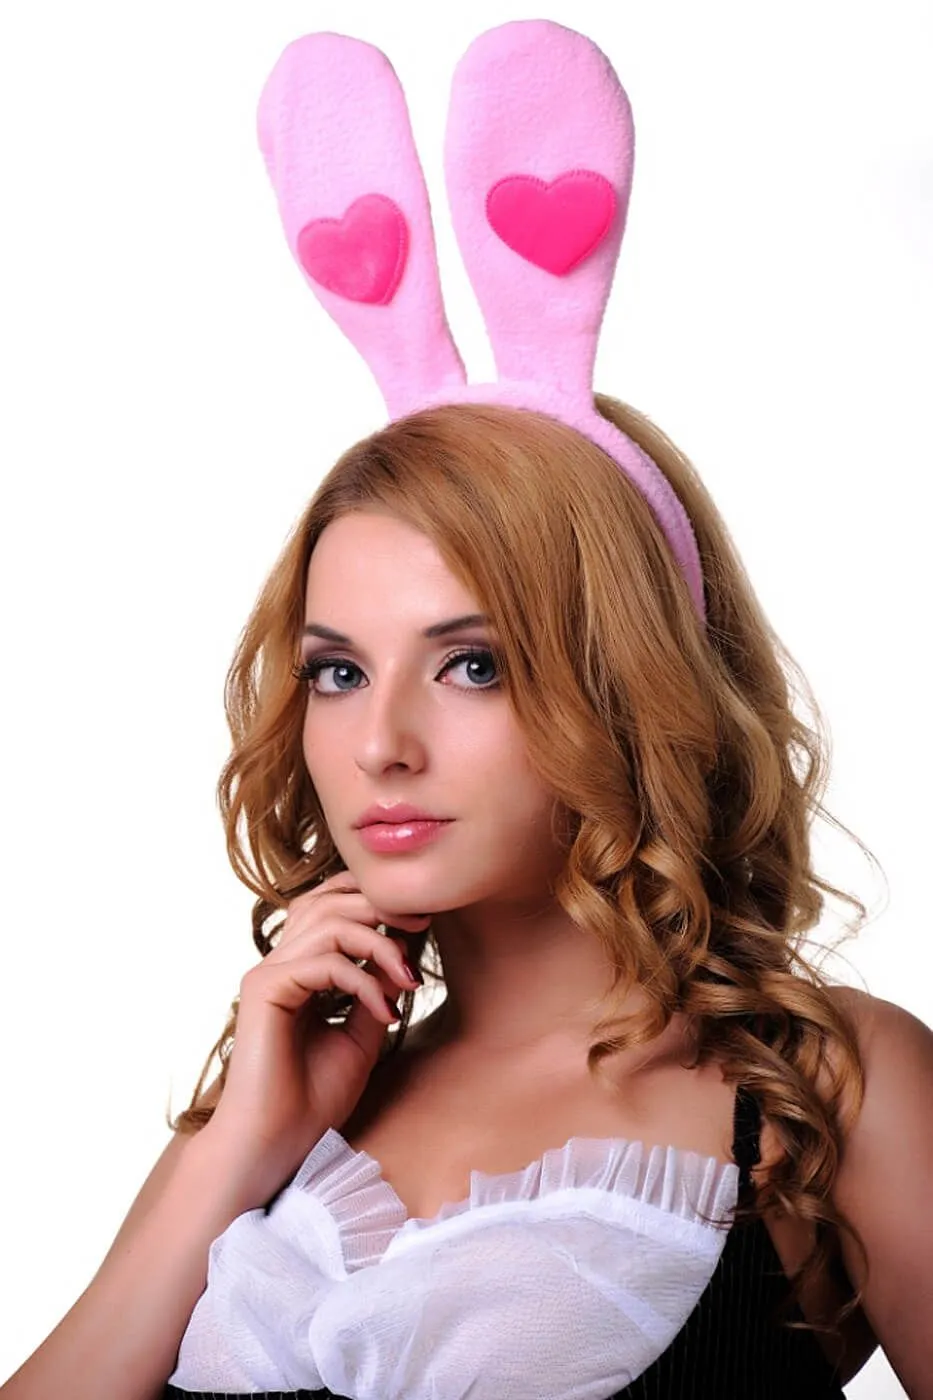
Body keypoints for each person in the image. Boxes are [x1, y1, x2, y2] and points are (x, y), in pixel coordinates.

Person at [4, 19, 931, 1400]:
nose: (381, 743)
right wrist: (232, 1151)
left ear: (629, 684)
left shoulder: (828, 1089)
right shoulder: (279, 1112)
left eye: (474, 664)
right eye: (337, 671)